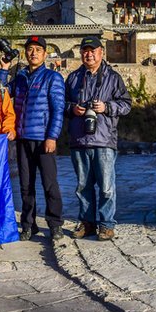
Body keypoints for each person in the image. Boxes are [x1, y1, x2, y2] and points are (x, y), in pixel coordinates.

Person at [66, 37, 131, 241]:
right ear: (81, 54)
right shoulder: (74, 78)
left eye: (93, 50)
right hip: (79, 139)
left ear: (101, 52)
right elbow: (61, 104)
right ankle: (87, 223)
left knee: (106, 187)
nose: (89, 54)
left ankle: (106, 224)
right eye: (85, 51)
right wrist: (72, 109)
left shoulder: (113, 77)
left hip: (104, 140)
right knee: (82, 187)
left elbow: (126, 105)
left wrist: (107, 107)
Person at [4, 35, 65, 241]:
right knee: (25, 185)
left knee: (50, 184)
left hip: (43, 139)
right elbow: (1, 93)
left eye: (38, 50)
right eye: (30, 49)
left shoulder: (52, 78)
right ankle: (29, 225)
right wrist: (4, 69)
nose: (33, 53)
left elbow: (58, 110)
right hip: (23, 139)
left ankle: (55, 224)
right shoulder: (20, 78)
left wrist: (52, 136)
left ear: (45, 54)